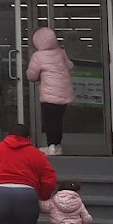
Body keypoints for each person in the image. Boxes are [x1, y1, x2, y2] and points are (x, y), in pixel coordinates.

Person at [26, 25, 74, 157]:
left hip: (49, 94)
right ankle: (57, 145)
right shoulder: (61, 52)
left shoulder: (38, 56)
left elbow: (31, 75)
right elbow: (70, 66)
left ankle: (51, 146)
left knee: (49, 121)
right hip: (64, 93)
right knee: (58, 120)